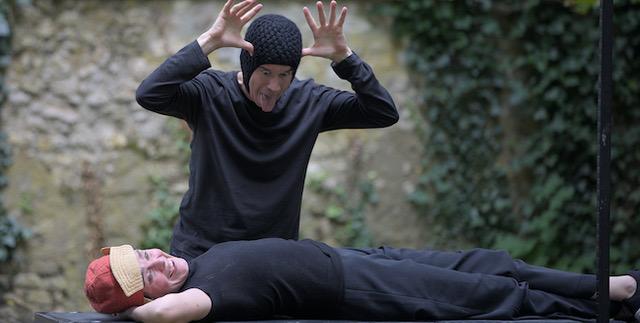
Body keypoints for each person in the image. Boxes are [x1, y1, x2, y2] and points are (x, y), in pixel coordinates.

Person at [135, 0, 399, 261]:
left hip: (270, 261)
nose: (274, 85)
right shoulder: (210, 94)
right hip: (201, 253)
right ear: (248, 65)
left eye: (284, 75)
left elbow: (383, 112)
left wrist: (345, 59)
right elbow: (150, 94)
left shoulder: (310, 102)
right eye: (265, 72)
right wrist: (209, 41)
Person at [84, 239, 640, 323]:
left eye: (147, 254)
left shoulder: (202, 261)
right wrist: (131, 312)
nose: (161, 262)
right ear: (150, 295)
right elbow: (162, 315)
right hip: (362, 290)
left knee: (488, 263)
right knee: (493, 298)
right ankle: (609, 315)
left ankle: (617, 287)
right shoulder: (199, 297)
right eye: (148, 276)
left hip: (360, 258)